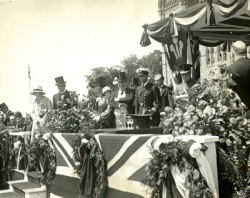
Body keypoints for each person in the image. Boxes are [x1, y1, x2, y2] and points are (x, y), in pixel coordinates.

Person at [226, 41, 250, 109]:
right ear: (246, 51)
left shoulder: (230, 69)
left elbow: (228, 92)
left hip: (241, 111)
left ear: (233, 52)